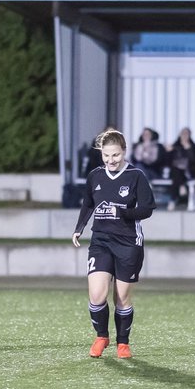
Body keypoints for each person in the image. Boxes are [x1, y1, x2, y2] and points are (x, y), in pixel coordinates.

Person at [71, 128, 156, 359]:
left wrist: (123, 213)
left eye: (116, 155)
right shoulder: (95, 176)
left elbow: (148, 208)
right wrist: (79, 228)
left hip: (129, 242)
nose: (111, 160)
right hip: (101, 240)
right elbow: (88, 204)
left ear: (124, 152)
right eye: (107, 156)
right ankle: (101, 336)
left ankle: (123, 343)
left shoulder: (136, 176)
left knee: (121, 298)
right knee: (97, 294)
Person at [165, 127, 195, 210]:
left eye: (186, 134)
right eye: (183, 134)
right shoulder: (174, 146)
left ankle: (173, 199)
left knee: (178, 172)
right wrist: (168, 152)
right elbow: (167, 162)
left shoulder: (193, 147)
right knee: (176, 170)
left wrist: (189, 150)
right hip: (175, 172)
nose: (184, 136)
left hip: (189, 172)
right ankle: (181, 187)